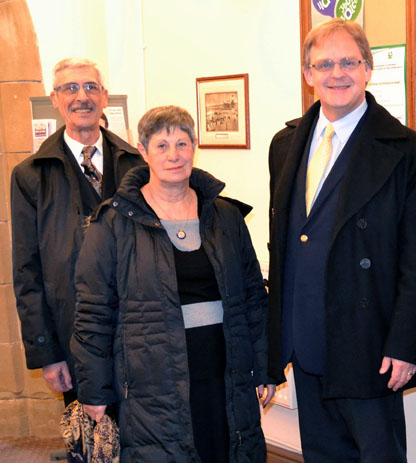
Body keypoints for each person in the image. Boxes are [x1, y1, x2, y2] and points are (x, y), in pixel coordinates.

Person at [266, 18, 416, 463]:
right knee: (320, 455)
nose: (336, 73)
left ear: (367, 69)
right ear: (308, 75)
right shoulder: (284, 145)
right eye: (324, 64)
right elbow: (283, 247)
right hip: (304, 339)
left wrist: (405, 345)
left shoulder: (407, 150)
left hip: (369, 343)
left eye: (348, 62)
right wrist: (273, 340)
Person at [70, 105, 274, 462]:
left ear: (195, 146)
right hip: (152, 380)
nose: (173, 155)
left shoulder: (225, 216)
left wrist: (264, 366)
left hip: (224, 368)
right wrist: (94, 389)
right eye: (161, 145)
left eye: (182, 143)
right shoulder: (114, 224)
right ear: (143, 150)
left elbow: (254, 298)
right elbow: (92, 312)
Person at [10, 57, 144, 405]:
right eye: (70, 88)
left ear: (105, 98)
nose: (81, 97)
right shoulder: (30, 175)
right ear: (54, 99)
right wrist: (46, 353)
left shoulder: (138, 165)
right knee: (90, 444)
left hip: (139, 331)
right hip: (73, 333)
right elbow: (27, 271)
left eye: (90, 87)